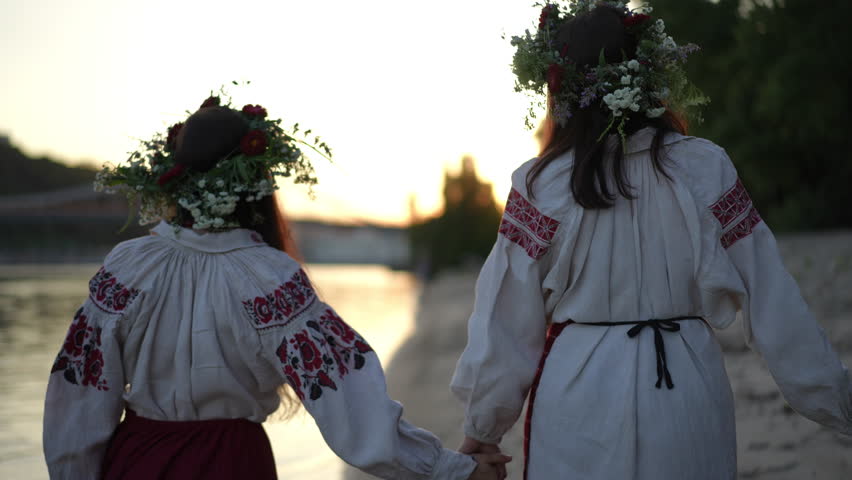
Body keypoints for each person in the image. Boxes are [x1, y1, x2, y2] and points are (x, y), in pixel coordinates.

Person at [450, 1, 852, 479]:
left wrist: (482, 431)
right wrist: (835, 399)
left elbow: (505, 320)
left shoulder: (542, 185)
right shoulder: (704, 167)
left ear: (561, 88)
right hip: (687, 390)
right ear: (652, 78)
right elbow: (772, 297)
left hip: (580, 395)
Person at [42, 96, 511, 479]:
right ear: (258, 185)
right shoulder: (270, 278)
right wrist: (451, 469)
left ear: (176, 181)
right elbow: (350, 405)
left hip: (136, 462)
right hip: (230, 465)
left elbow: (78, 397)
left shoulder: (127, 268)